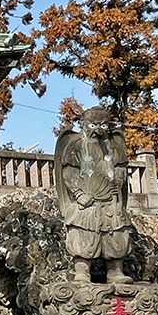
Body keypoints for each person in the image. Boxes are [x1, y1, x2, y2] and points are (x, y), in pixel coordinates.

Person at [55, 106, 132, 283]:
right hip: (86, 201)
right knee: (83, 233)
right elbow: (69, 172)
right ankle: (82, 271)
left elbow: (121, 166)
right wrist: (78, 193)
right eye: (92, 125)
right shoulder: (75, 146)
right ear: (83, 124)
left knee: (116, 234)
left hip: (110, 199)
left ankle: (115, 271)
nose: (98, 130)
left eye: (103, 125)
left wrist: (119, 178)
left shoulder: (113, 146)